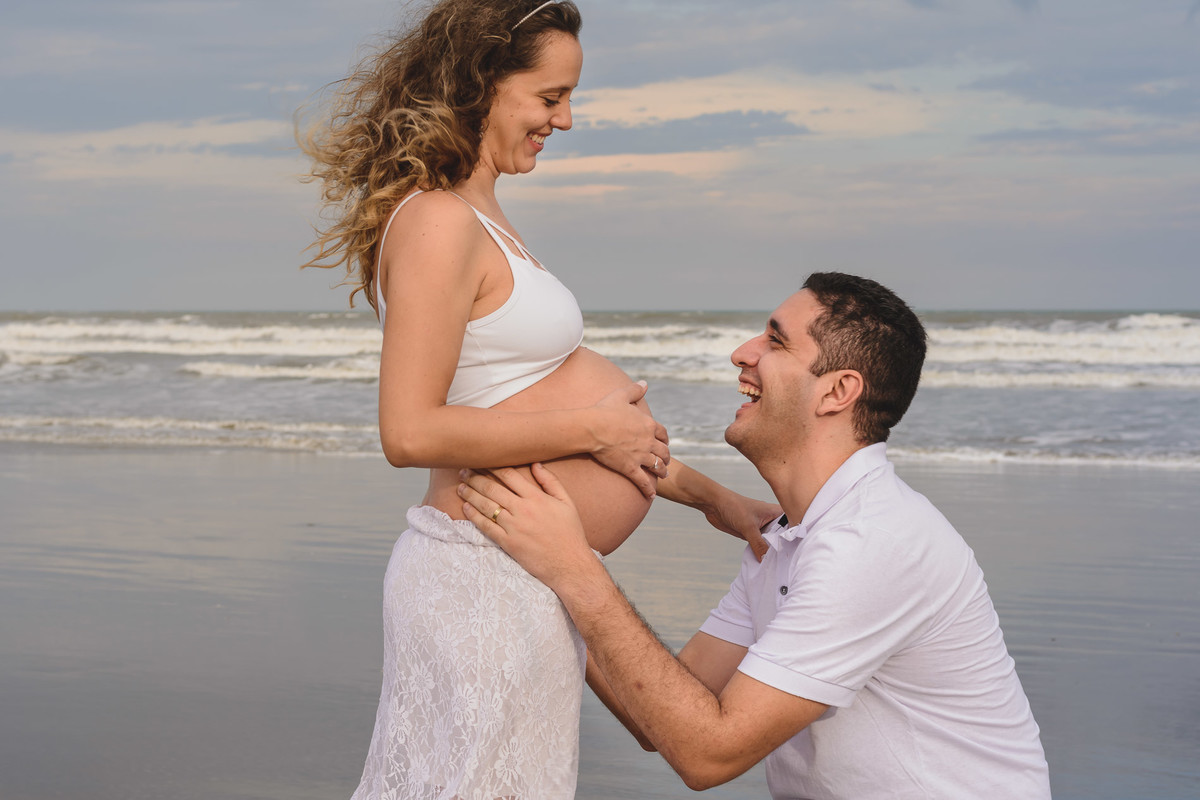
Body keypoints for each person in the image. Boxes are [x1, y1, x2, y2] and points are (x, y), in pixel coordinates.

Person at [298, 1, 777, 797]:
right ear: (481, 83)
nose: (564, 119)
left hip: (520, 574)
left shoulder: (486, 218)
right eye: (550, 97)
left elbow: (521, 407)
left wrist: (711, 499)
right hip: (480, 575)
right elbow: (409, 431)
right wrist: (595, 427)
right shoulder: (439, 222)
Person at [459, 272, 1053, 799]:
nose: (742, 353)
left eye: (775, 340)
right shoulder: (786, 540)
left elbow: (707, 754)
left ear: (837, 392)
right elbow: (657, 720)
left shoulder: (874, 543)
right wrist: (542, 572)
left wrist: (574, 568)